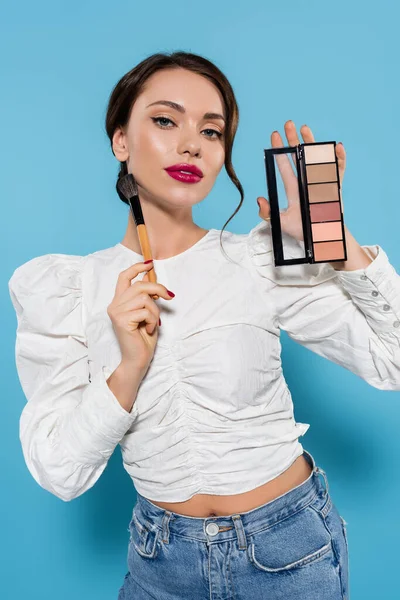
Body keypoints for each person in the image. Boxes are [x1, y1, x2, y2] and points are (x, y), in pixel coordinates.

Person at [8, 51, 400, 600]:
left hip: (289, 551)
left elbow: (393, 360)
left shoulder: (255, 260)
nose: (191, 143)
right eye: (165, 120)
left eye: (211, 131)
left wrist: (334, 240)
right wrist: (128, 371)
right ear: (121, 141)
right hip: (160, 562)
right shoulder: (66, 290)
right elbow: (59, 472)